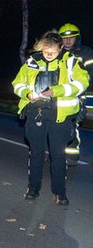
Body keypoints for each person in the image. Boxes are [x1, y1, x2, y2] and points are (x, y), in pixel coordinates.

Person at [12, 30, 89, 205]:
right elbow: (17, 83)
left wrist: (58, 91)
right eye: (46, 51)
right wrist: (26, 93)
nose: (48, 55)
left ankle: (60, 192)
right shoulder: (32, 62)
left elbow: (82, 83)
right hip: (36, 113)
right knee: (36, 153)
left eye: (53, 52)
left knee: (58, 155)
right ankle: (33, 188)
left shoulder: (71, 62)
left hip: (59, 116)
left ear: (60, 48)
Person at [58, 23, 93, 165]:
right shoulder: (56, 52)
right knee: (56, 127)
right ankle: (58, 153)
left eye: (71, 38)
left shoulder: (86, 52)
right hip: (58, 96)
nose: (67, 41)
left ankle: (71, 156)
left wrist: (80, 91)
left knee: (71, 125)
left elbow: (91, 74)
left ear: (77, 38)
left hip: (77, 96)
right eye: (64, 38)